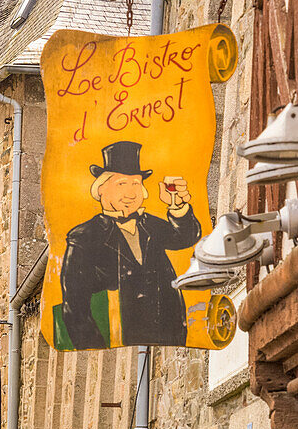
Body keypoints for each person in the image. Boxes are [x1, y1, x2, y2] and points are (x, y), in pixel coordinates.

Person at [60, 141, 200, 349]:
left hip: (168, 338)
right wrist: (98, 349)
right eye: (121, 184)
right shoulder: (84, 237)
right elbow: (75, 306)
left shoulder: (149, 224)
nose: (131, 193)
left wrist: (177, 207)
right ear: (101, 190)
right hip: (121, 343)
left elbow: (185, 238)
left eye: (135, 184)